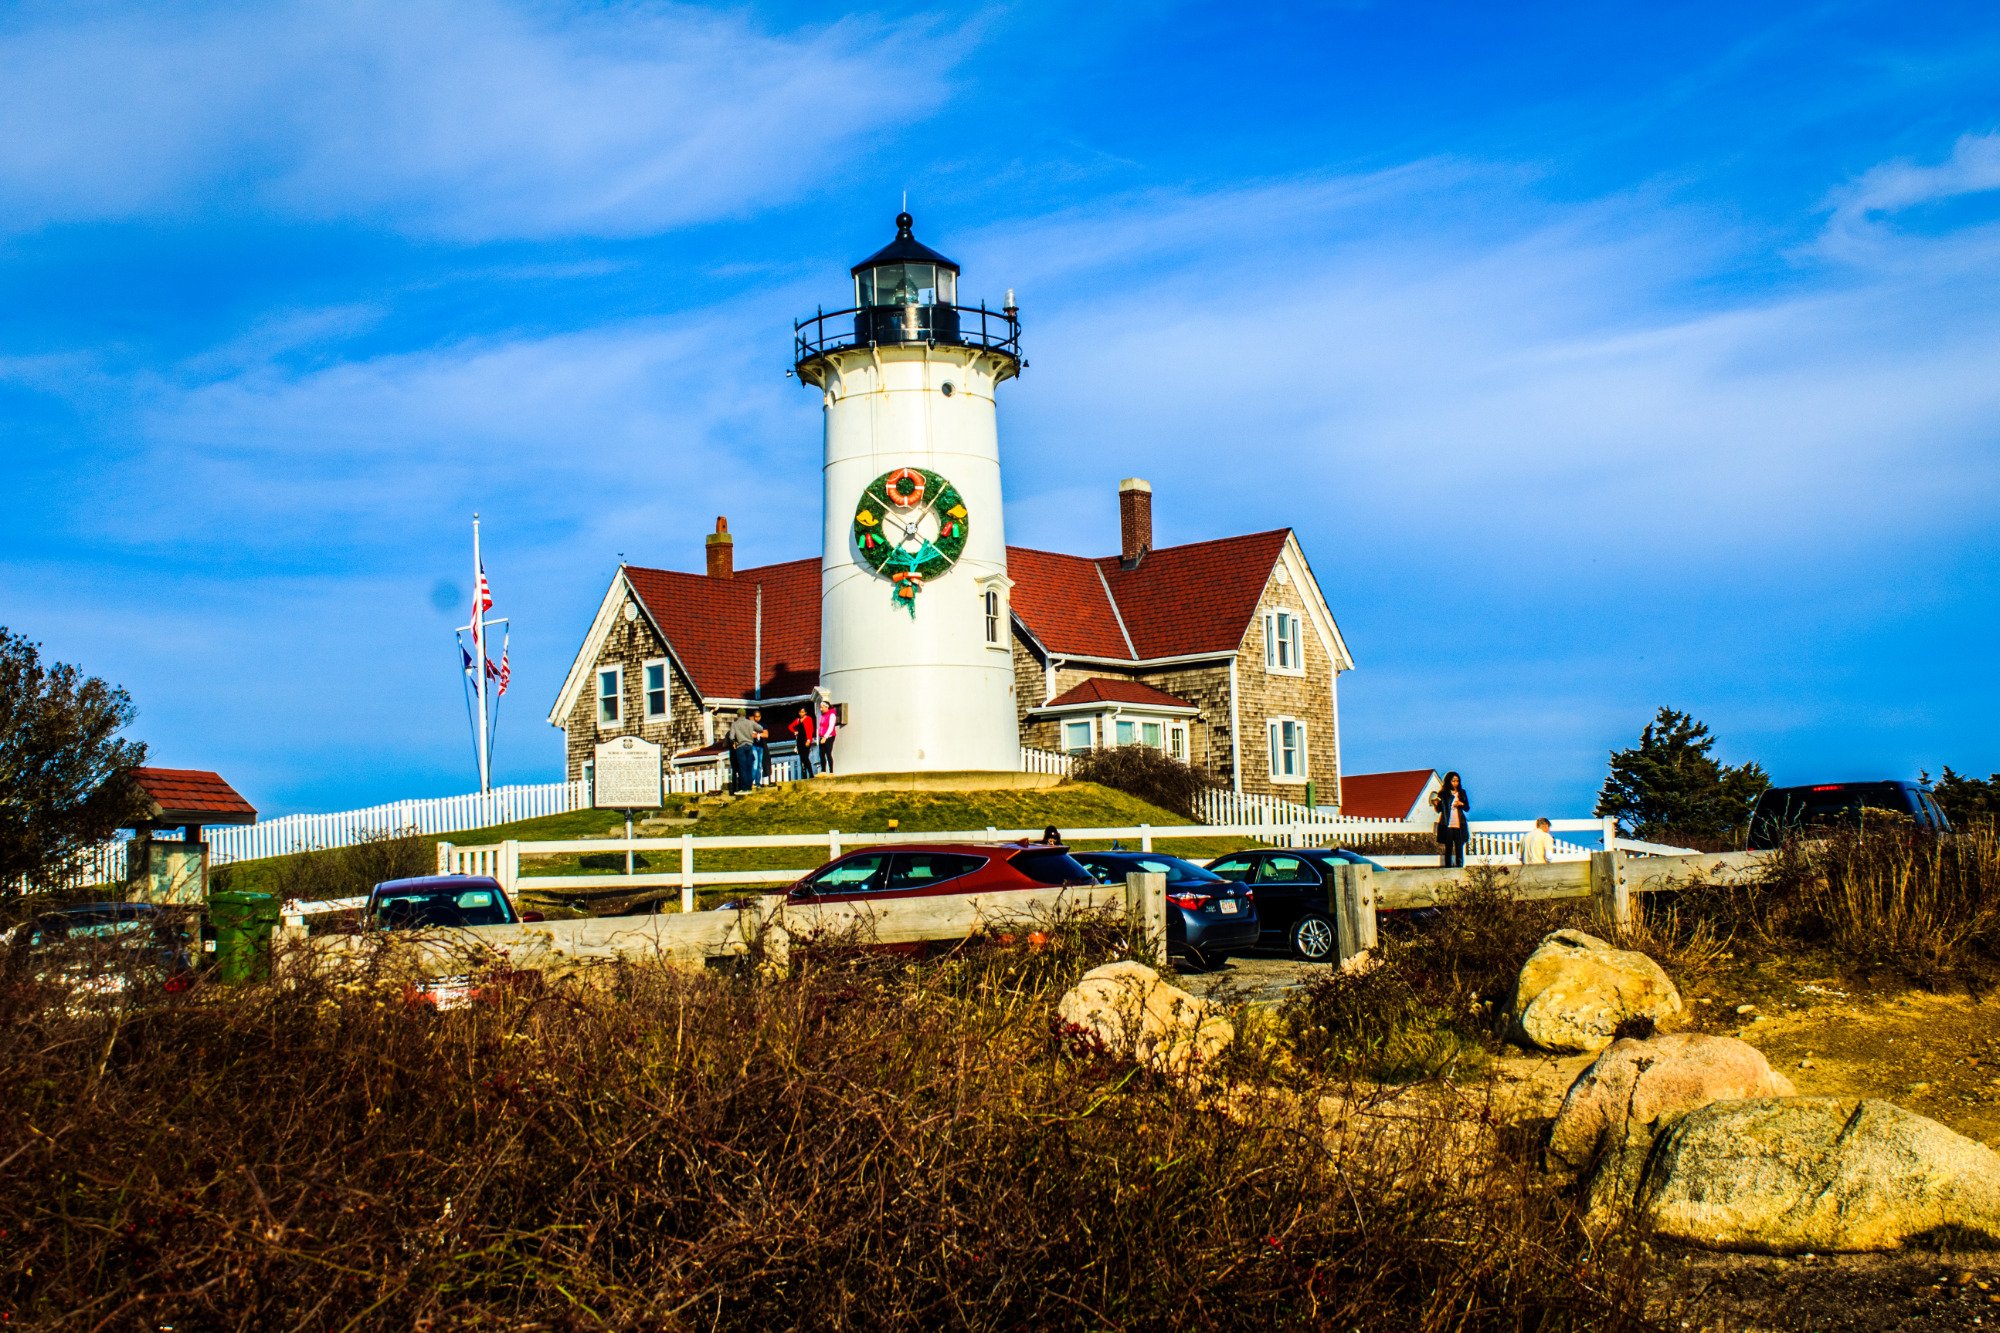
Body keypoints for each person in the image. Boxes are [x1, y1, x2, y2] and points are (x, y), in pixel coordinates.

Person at [1432, 772, 1471, 868]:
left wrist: (1461, 804)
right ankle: (1448, 869)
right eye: (1453, 781)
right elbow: (1439, 810)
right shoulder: (1443, 793)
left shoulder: (1462, 792)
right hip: (1447, 824)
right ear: (1449, 781)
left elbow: (1467, 808)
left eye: (1457, 781)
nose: (1455, 783)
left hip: (1459, 824)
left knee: (1459, 847)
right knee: (1448, 848)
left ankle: (1459, 867)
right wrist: (1435, 804)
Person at [787, 707, 818, 779]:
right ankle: (804, 775)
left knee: (805, 757)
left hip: (806, 739)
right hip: (799, 740)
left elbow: (811, 729)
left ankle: (811, 774)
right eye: (800, 712)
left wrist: (809, 740)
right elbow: (790, 726)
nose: (801, 713)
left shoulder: (808, 719)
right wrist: (795, 731)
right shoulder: (797, 720)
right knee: (802, 758)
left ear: (805, 712)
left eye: (803, 712)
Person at [748, 709, 770, 787]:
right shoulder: (751, 725)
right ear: (753, 717)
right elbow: (750, 734)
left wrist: (757, 735)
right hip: (753, 746)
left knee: (759, 765)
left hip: (761, 746)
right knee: (755, 763)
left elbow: (766, 734)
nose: (757, 718)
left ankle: (757, 783)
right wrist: (759, 734)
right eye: (755, 717)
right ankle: (750, 782)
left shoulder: (763, 725)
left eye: (758, 716)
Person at [817, 704, 839, 774]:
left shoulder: (832, 715)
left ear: (827, 707)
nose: (821, 709)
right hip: (822, 737)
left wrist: (825, 737)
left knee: (828, 753)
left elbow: (831, 727)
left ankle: (831, 771)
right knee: (821, 754)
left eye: (822, 707)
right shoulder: (823, 715)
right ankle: (823, 771)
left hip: (829, 737)